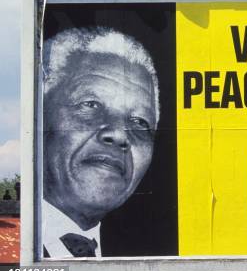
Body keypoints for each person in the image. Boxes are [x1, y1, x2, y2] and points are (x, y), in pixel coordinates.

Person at [42, 27, 159, 257]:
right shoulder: (11, 243)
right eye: (91, 104)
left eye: (139, 121)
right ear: (41, 115)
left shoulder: (142, 253)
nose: (119, 134)